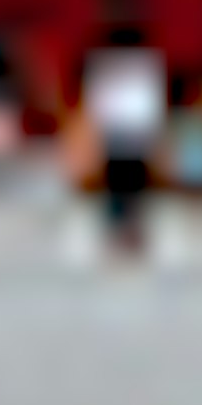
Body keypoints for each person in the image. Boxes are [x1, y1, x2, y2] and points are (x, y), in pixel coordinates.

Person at [80, 27, 169, 264]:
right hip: (121, 134)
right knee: (121, 189)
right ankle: (122, 232)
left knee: (128, 189)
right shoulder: (120, 66)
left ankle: (128, 232)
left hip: (129, 134)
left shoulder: (135, 66)